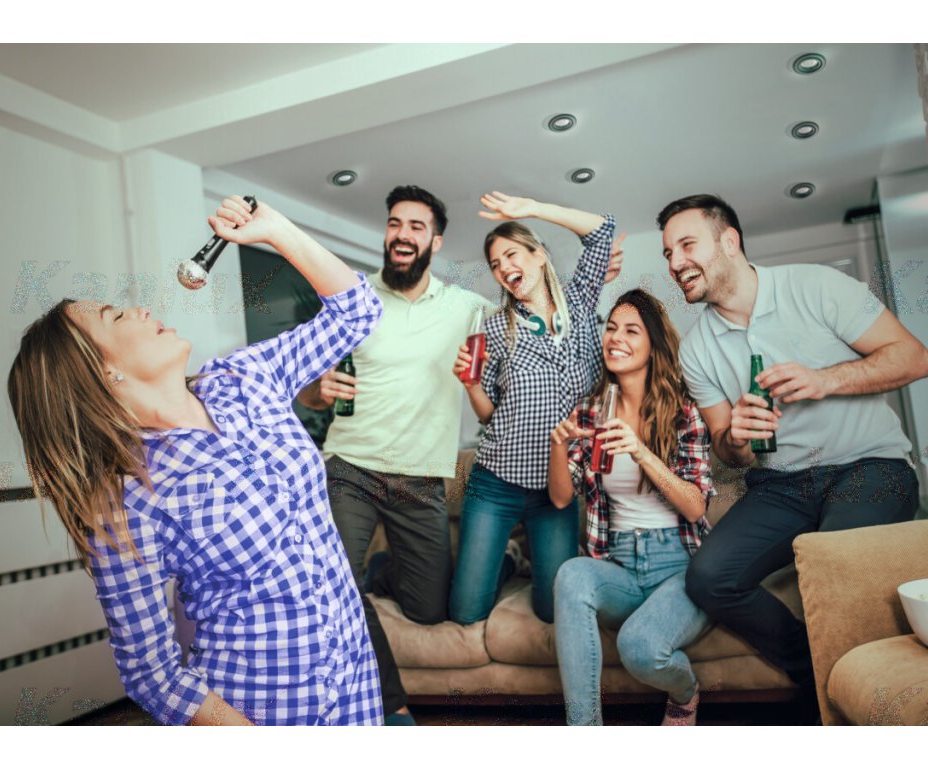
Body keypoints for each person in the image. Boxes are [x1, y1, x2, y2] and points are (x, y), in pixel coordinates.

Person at [6, 196, 384, 726]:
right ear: (102, 372)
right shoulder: (126, 502)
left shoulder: (242, 378)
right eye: (117, 315)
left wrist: (276, 230)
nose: (140, 309)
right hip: (266, 713)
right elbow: (152, 674)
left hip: (356, 685)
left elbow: (358, 312)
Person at [658, 193, 928, 694]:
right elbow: (726, 448)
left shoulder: (818, 286)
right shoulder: (695, 350)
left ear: (729, 241)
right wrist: (736, 435)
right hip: (779, 486)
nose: (675, 263)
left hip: (870, 467)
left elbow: (914, 358)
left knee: (835, 569)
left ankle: (854, 699)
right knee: (709, 579)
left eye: (687, 245)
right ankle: (817, 675)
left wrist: (826, 380)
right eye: (668, 253)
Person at [296, 185, 492, 724]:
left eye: (416, 227)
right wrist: (319, 390)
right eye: (395, 223)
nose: (402, 235)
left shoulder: (466, 307)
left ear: (435, 242)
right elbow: (307, 389)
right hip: (349, 469)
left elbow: (531, 319)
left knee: (428, 612)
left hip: (420, 480)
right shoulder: (351, 299)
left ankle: (382, 571)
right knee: (334, 583)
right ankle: (392, 706)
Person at [449, 191, 621, 625]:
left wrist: (532, 210)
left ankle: (528, 562)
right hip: (496, 482)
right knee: (467, 612)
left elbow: (602, 230)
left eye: (512, 254)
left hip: (554, 491)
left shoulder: (580, 303)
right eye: (495, 264)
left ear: (539, 255)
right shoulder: (495, 328)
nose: (504, 268)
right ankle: (510, 560)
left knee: (551, 610)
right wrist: (470, 384)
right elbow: (489, 416)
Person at [549, 289, 715, 726]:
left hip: (681, 567)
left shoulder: (684, 412)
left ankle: (686, 691)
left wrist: (641, 451)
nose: (615, 338)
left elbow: (695, 507)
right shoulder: (592, 412)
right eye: (611, 328)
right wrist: (559, 445)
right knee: (571, 575)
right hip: (620, 563)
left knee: (639, 647)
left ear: (653, 344)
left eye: (631, 330)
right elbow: (562, 498)